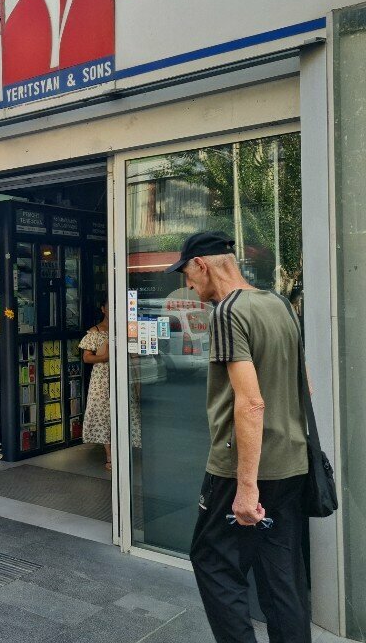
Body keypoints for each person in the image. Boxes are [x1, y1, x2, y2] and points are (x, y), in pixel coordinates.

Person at [169, 232, 311, 643]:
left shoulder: (228, 312)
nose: (189, 287)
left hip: (241, 470)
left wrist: (246, 487)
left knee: (213, 561)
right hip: (291, 466)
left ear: (202, 264)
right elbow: (306, 387)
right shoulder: (280, 305)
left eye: (187, 275)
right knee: (281, 573)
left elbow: (250, 404)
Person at [79, 303, 112, 471]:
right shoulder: (95, 331)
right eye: (109, 305)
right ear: (103, 309)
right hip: (101, 378)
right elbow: (86, 358)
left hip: (119, 376)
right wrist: (105, 357)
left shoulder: (125, 328)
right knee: (103, 414)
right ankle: (110, 456)